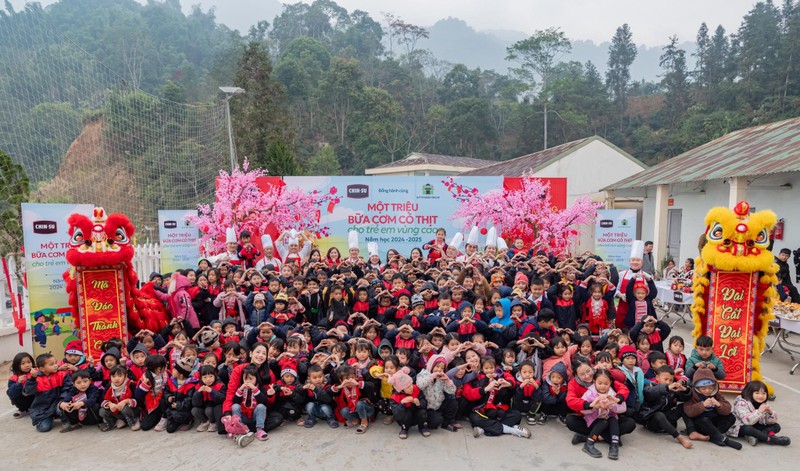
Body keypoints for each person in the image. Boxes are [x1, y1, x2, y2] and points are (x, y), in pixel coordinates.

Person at [463, 356, 530, 439]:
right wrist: (485, 389)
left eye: (474, 358)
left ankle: (484, 429)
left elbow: (510, 378)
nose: (473, 362)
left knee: (517, 415)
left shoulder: (499, 373)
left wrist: (508, 383)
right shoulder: (471, 377)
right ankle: (512, 430)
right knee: (475, 419)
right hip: (481, 410)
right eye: (470, 359)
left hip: (497, 408)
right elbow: (469, 394)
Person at [682, 366, 741, 449]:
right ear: (697, 387)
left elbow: (728, 408)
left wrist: (719, 404)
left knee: (730, 417)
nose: (708, 391)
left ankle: (714, 436)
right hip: (701, 423)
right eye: (704, 388)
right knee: (704, 420)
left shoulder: (716, 394)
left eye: (710, 387)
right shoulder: (692, 395)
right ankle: (723, 439)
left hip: (713, 421)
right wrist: (702, 405)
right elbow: (688, 411)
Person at [637, 365, 693, 449]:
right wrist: (666, 388)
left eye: (671, 380)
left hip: (667, 419)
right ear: (657, 377)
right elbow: (651, 393)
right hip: (651, 421)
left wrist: (684, 390)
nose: (668, 382)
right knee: (659, 414)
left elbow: (685, 398)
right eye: (665, 379)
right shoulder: (649, 386)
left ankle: (692, 431)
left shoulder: (672, 390)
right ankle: (679, 437)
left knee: (683, 406)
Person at [580, 369, 626, 459]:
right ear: (594, 382)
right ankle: (589, 442)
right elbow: (582, 410)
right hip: (595, 421)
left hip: (609, 419)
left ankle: (614, 444)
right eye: (600, 383)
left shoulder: (612, 394)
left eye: (606, 384)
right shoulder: (590, 393)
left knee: (614, 419)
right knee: (603, 422)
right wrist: (594, 406)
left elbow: (624, 408)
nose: (603, 386)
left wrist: (611, 406)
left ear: (610, 383)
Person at [728, 380, 790, 446]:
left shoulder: (763, 403)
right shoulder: (741, 403)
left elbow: (769, 422)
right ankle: (770, 439)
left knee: (776, 426)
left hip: (755, 425)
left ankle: (757, 436)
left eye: (764, 393)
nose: (761, 396)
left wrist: (771, 413)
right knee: (748, 429)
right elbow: (747, 421)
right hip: (740, 427)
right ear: (749, 393)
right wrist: (759, 411)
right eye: (757, 393)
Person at [23, 353, 73, 432]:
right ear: (42, 368)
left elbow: (68, 388)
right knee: (44, 428)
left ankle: (64, 418)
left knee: (68, 406)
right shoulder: (36, 379)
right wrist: (32, 378)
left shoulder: (62, 374)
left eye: (56, 363)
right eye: (51, 364)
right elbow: (27, 392)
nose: (56, 365)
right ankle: (50, 416)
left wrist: (62, 401)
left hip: (58, 403)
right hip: (43, 408)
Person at [99, 365, 140, 431]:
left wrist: (126, 401)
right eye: (113, 376)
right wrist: (109, 404)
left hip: (131, 411)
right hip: (117, 411)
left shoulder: (131, 384)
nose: (116, 379)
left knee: (125, 408)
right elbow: (102, 400)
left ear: (125, 376)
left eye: (120, 376)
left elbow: (138, 401)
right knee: (102, 411)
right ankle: (116, 421)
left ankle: (134, 421)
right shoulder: (109, 386)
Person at [8, 352, 35, 419]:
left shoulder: (36, 372)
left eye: (29, 362)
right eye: (23, 363)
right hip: (24, 400)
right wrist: (18, 383)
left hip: (36, 399)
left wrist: (34, 377)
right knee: (10, 391)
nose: (27, 365)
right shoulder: (14, 378)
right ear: (17, 365)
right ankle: (23, 409)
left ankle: (36, 408)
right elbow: (11, 394)